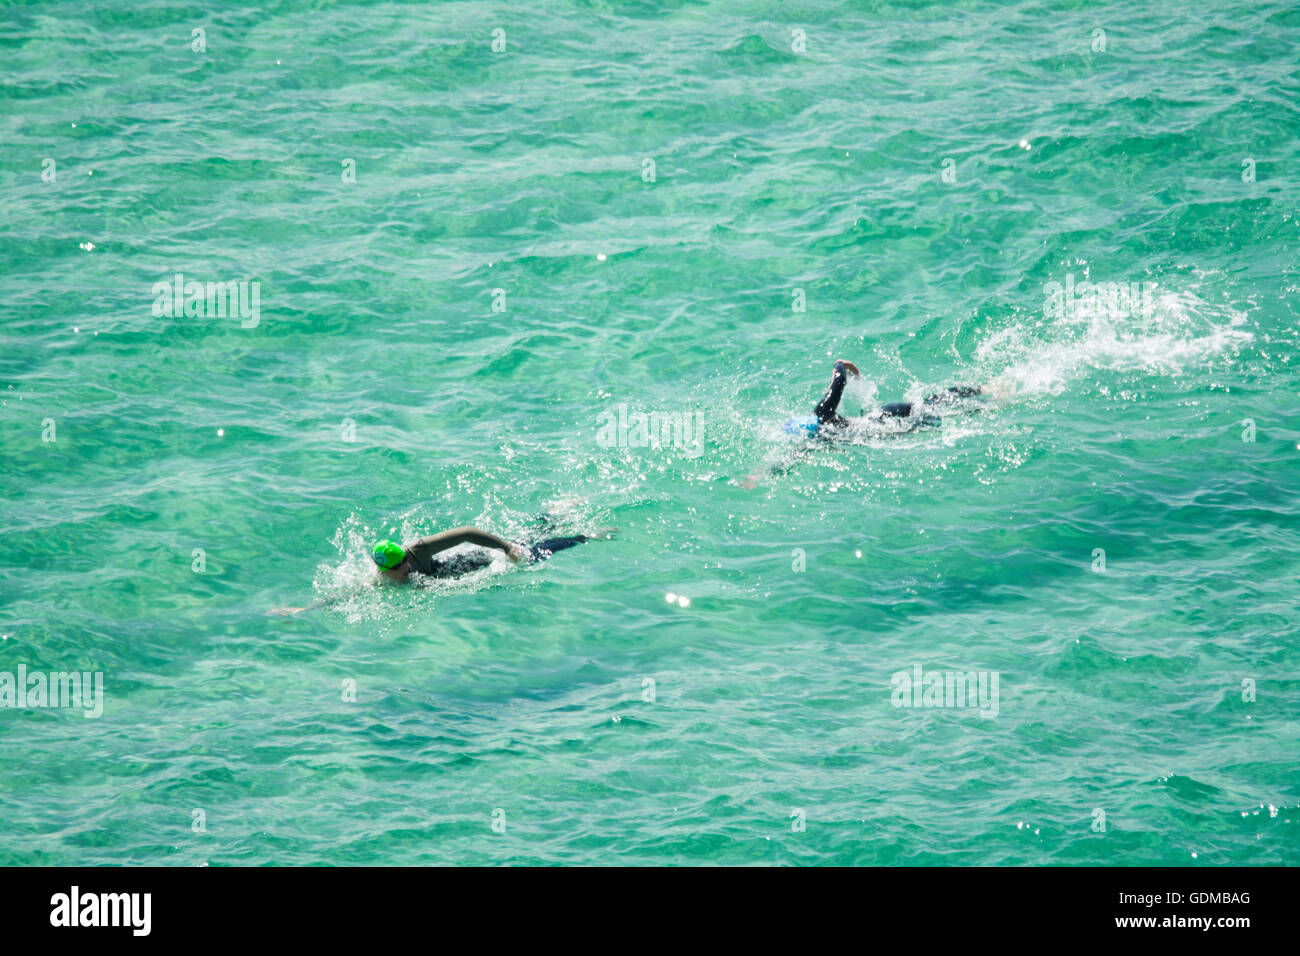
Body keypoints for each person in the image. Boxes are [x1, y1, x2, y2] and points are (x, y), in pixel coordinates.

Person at [788, 359, 984, 436]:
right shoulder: (822, 414)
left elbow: (788, 462)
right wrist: (839, 364)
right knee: (933, 406)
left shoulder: (817, 439)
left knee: (933, 410)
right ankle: (981, 393)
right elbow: (838, 380)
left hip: (887, 423)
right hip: (884, 420)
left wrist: (761, 475)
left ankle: (982, 393)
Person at [370, 526, 589, 583]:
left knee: (530, 555)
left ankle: (583, 536)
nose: (405, 565)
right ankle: (551, 515)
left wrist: (506, 548)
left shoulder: (416, 551)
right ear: (385, 571)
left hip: (480, 560)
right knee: (527, 537)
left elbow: (466, 532)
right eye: (398, 566)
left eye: (404, 560)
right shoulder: (379, 580)